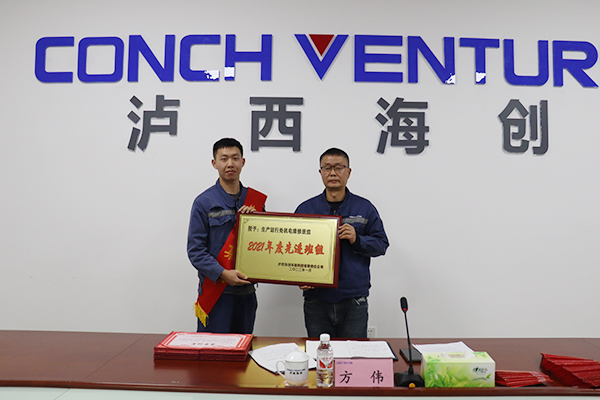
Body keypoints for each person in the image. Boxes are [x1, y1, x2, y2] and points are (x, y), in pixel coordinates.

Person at [295, 148, 389, 338]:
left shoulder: (364, 208)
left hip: (353, 299)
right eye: (327, 168)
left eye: (338, 168)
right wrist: (298, 277)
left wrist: (357, 239)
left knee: (353, 353)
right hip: (317, 299)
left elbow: (381, 245)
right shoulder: (306, 209)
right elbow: (292, 251)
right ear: (320, 172)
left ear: (348, 172)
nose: (333, 173)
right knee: (319, 352)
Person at [187, 138, 266, 334]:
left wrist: (256, 221)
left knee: (243, 348)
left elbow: (266, 246)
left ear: (243, 162)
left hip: (247, 294)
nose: (230, 164)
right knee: (212, 349)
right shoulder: (204, 202)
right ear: (214, 163)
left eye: (235, 158)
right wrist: (223, 273)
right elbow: (196, 251)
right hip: (216, 293)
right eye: (224, 159)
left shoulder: (255, 201)